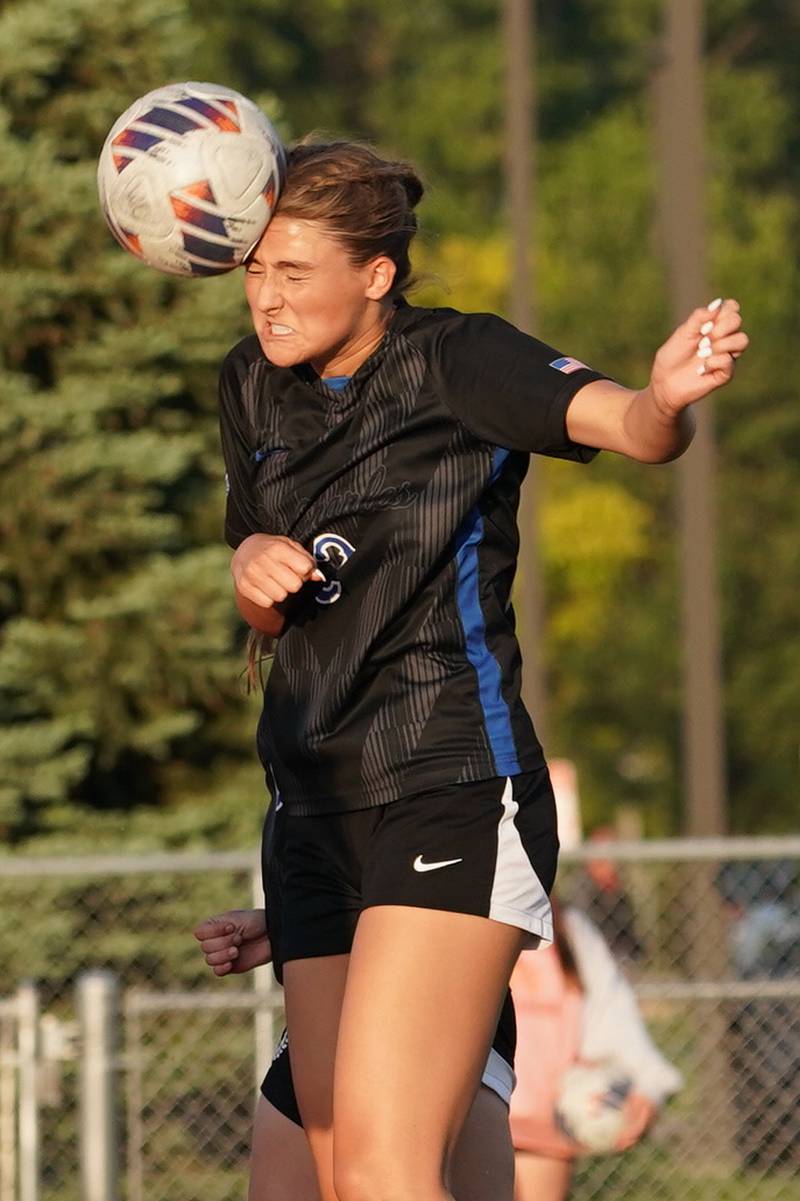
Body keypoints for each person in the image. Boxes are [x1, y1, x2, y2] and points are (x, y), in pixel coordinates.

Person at [218, 136, 748, 1201]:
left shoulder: (455, 359)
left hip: (449, 786)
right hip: (313, 811)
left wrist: (660, 400)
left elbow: (629, 430)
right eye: (252, 272)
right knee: (332, 1169)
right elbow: (269, 619)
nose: (264, 298)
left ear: (374, 275)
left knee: (379, 1171)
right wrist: (247, 572)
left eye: (292, 271)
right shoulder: (250, 388)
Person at [194, 799, 518, 1201]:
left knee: (387, 1185)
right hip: (327, 1005)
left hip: (422, 1002)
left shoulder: (437, 764)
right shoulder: (298, 762)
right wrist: (285, 927)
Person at [510, 901, 682, 1201]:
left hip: (541, 1129)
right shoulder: (447, 916)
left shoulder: (567, 928)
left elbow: (612, 1017)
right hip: (465, 1120)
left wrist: (646, 1087)